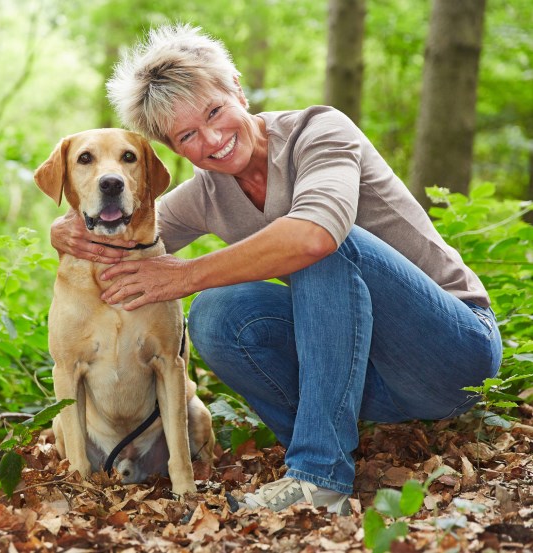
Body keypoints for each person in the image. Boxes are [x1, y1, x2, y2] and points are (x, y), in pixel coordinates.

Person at [50, 24, 502, 514]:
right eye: (188, 136)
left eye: (215, 112)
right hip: (374, 383)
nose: (213, 139)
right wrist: (66, 229)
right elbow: (132, 229)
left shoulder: (319, 130)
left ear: (238, 91)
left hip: (452, 353)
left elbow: (314, 235)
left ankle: (319, 474)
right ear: (177, 150)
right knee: (216, 313)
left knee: (325, 245)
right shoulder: (208, 193)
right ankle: (325, 441)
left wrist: (184, 275)